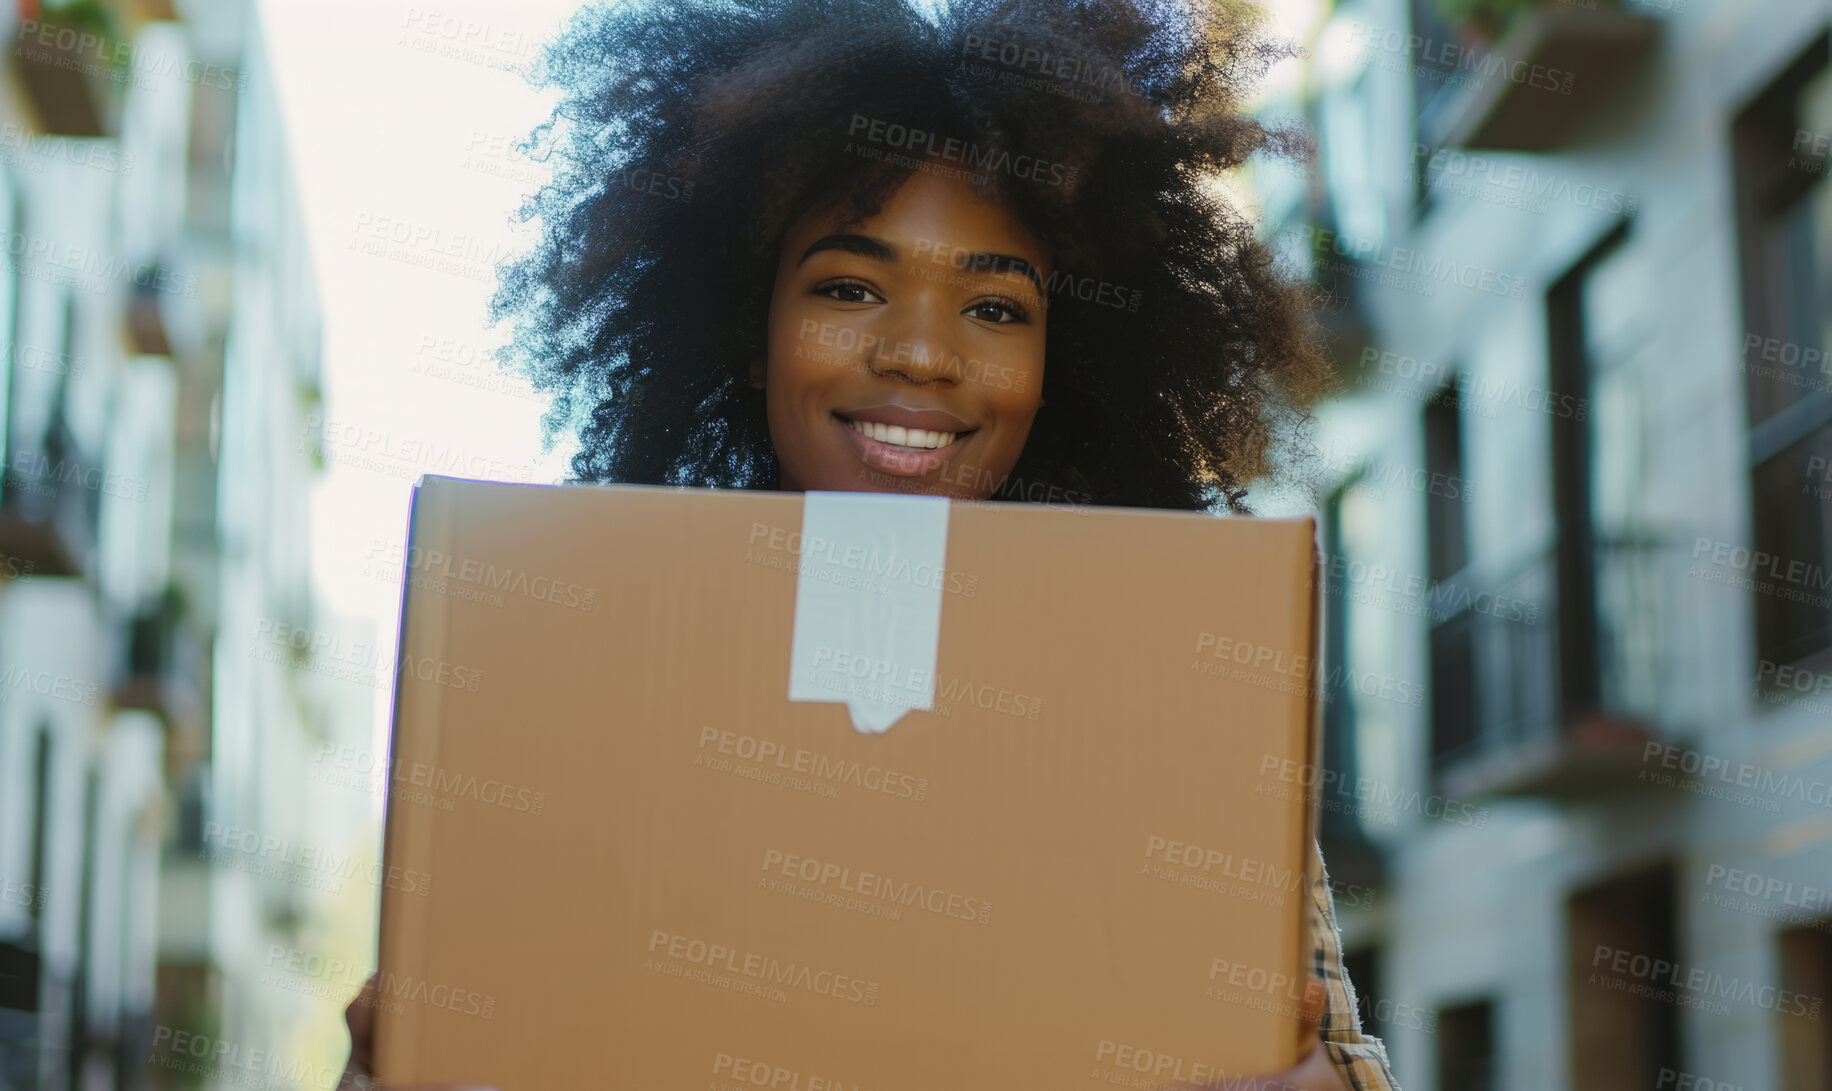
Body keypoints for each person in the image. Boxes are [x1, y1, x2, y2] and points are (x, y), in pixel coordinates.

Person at [339, 0, 1401, 1086]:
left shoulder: (1175, 718)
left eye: (994, 308)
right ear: (747, 334)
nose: (919, 354)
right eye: (848, 288)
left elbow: (1338, 1054)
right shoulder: (564, 681)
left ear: (1057, 369)